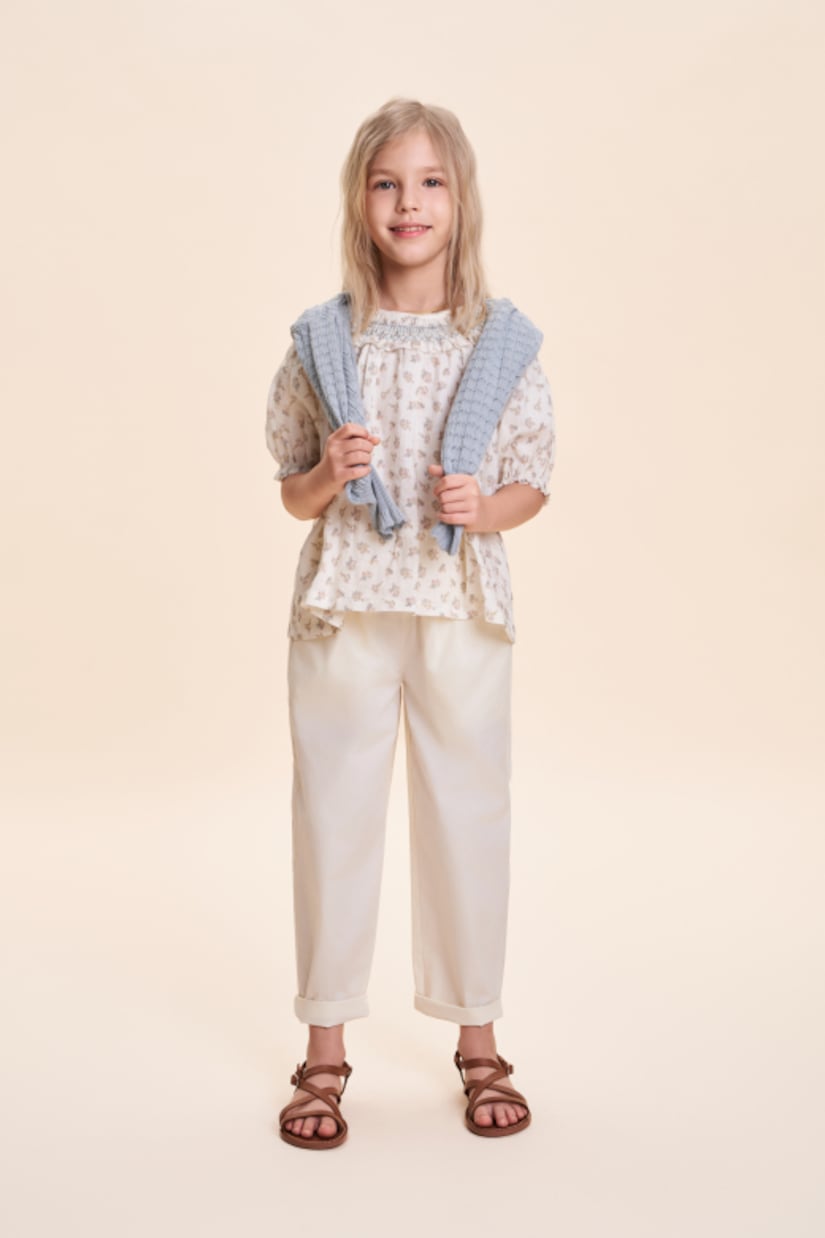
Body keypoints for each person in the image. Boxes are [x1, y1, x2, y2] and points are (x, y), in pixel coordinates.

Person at [265, 98, 556, 1149]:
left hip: (458, 605)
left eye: (430, 181)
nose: (409, 202)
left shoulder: (499, 342)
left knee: (469, 814)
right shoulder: (323, 340)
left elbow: (532, 480)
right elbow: (291, 490)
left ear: (460, 200)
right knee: (331, 816)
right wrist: (324, 473)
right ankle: (324, 1048)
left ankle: (478, 1037)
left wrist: (483, 508)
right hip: (346, 605)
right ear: (360, 200)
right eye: (387, 182)